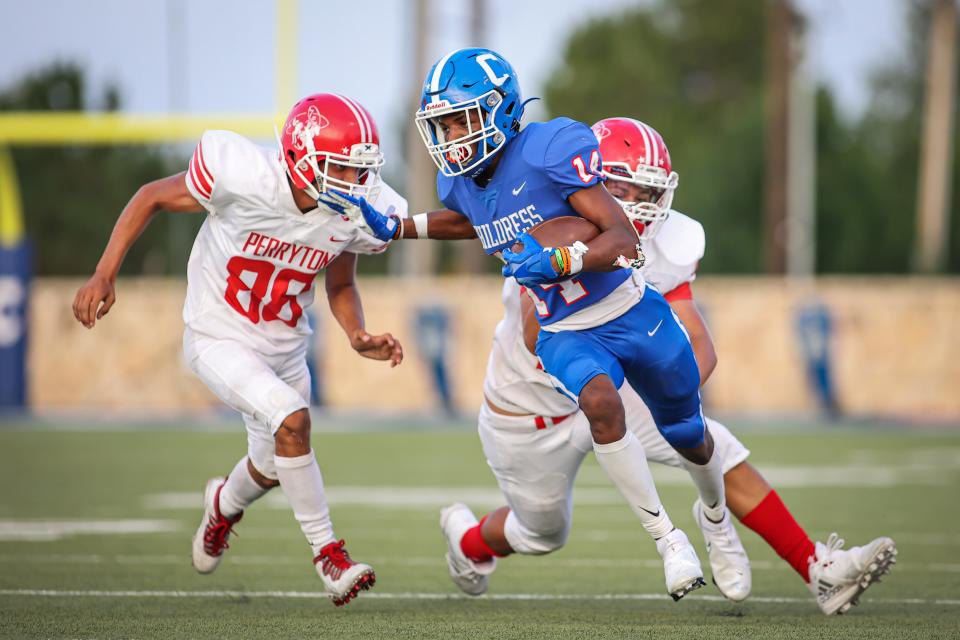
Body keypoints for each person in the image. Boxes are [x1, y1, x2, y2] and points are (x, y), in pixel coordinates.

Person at [437, 115, 894, 615]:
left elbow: (700, 343)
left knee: (713, 444)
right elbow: (536, 333)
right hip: (532, 409)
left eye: (648, 193)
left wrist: (670, 401)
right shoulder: (543, 228)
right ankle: (469, 544)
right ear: (585, 183)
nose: (638, 206)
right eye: (623, 189)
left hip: (608, 391)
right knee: (542, 532)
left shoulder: (655, 243)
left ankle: (817, 567)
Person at [331, 47, 743, 601]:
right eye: (443, 125)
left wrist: (563, 260)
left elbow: (622, 238)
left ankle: (715, 519)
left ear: (498, 110)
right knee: (602, 404)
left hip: (627, 308)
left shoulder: (550, 149)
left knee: (692, 436)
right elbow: (471, 220)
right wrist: (399, 226)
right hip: (564, 330)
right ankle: (670, 541)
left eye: (460, 120)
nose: (451, 137)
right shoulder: (462, 181)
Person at [71, 93, 405, 607]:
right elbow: (150, 196)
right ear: (301, 157)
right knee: (293, 421)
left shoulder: (352, 212)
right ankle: (329, 555)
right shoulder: (243, 177)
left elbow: (340, 284)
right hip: (218, 334)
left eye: (361, 171)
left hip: (286, 349)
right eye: (342, 168)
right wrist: (104, 272)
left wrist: (356, 333)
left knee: (272, 465)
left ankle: (222, 506)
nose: (355, 183)